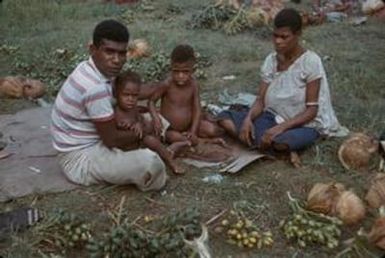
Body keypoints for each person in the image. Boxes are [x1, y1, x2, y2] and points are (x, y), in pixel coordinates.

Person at [50, 19, 167, 191]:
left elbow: (129, 92)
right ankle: (156, 147)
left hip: (93, 140)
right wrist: (144, 129)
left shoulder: (94, 68)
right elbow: (111, 139)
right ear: (93, 50)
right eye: (109, 52)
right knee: (150, 162)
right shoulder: (94, 88)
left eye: (122, 53)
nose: (116, 60)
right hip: (79, 159)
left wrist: (165, 87)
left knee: (158, 120)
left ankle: (156, 141)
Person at [218, 8, 343, 155]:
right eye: (275, 36)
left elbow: (311, 111)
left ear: (298, 35)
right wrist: (248, 119)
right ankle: (261, 140)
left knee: (281, 142)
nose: (278, 41)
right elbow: (260, 100)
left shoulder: (310, 61)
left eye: (284, 37)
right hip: (273, 117)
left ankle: (265, 142)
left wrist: (280, 128)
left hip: (304, 124)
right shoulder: (271, 61)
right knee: (224, 118)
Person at [148, 44, 224, 148]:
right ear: (171, 66)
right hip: (170, 129)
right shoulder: (167, 84)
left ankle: (193, 138)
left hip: (189, 126)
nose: (180, 76)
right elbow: (151, 102)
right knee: (177, 138)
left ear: (193, 68)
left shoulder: (194, 85)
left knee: (212, 130)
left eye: (185, 72)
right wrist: (156, 119)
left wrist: (193, 131)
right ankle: (205, 142)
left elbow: (197, 109)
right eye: (176, 71)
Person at [113, 69, 185, 174]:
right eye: (126, 95)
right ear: (116, 94)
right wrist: (124, 127)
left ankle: (171, 161)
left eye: (134, 96)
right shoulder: (115, 112)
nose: (130, 99)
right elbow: (114, 133)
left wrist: (138, 123)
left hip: (141, 141)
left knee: (152, 140)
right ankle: (168, 150)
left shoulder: (132, 108)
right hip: (127, 148)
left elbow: (139, 118)